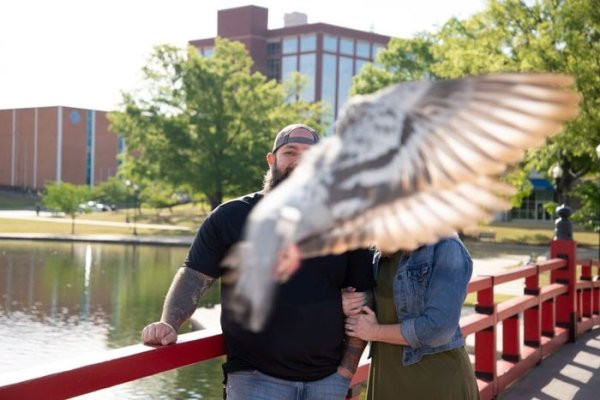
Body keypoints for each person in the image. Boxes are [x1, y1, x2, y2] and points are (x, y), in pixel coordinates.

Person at [142, 124, 374, 400]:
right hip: (255, 380)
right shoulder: (230, 218)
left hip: (326, 383)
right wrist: (169, 323)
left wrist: (346, 372)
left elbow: (364, 300)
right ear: (272, 159)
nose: (298, 161)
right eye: (290, 152)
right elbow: (193, 276)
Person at [343, 236, 479, 400]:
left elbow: (439, 327)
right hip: (387, 378)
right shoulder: (381, 249)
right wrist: (342, 299)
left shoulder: (446, 246)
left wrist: (375, 331)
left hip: (436, 381)